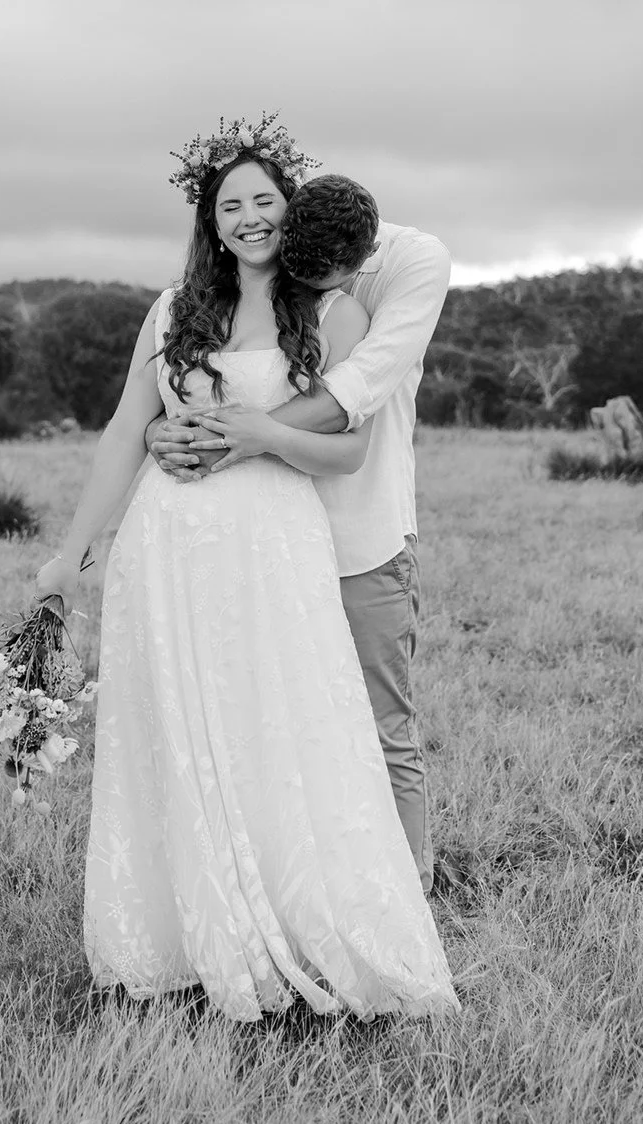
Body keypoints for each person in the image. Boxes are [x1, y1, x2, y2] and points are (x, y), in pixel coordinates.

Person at [34, 116, 458, 1023]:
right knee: (183, 731)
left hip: (275, 548)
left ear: (290, 209)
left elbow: (346, 451)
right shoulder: (170, 308)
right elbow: (122, 430)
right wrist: (71, 552)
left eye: (265, 198)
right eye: (232, 205)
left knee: (284, 729)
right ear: (212, 223)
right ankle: (194, 930)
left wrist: (253, 438)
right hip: (169, 550)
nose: (250, 216)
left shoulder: (333, 310)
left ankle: (309, 919)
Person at [149, 174, 451, 896]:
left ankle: (408, 891)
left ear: (362, 257)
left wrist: (253, 434)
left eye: (327, 282)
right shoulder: (261, 286)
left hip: (360, 531)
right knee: (286, 724)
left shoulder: (412, 267)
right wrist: (170, 428)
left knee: (382, 727)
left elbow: (360, 388)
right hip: (264, 546)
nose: (308, 290)